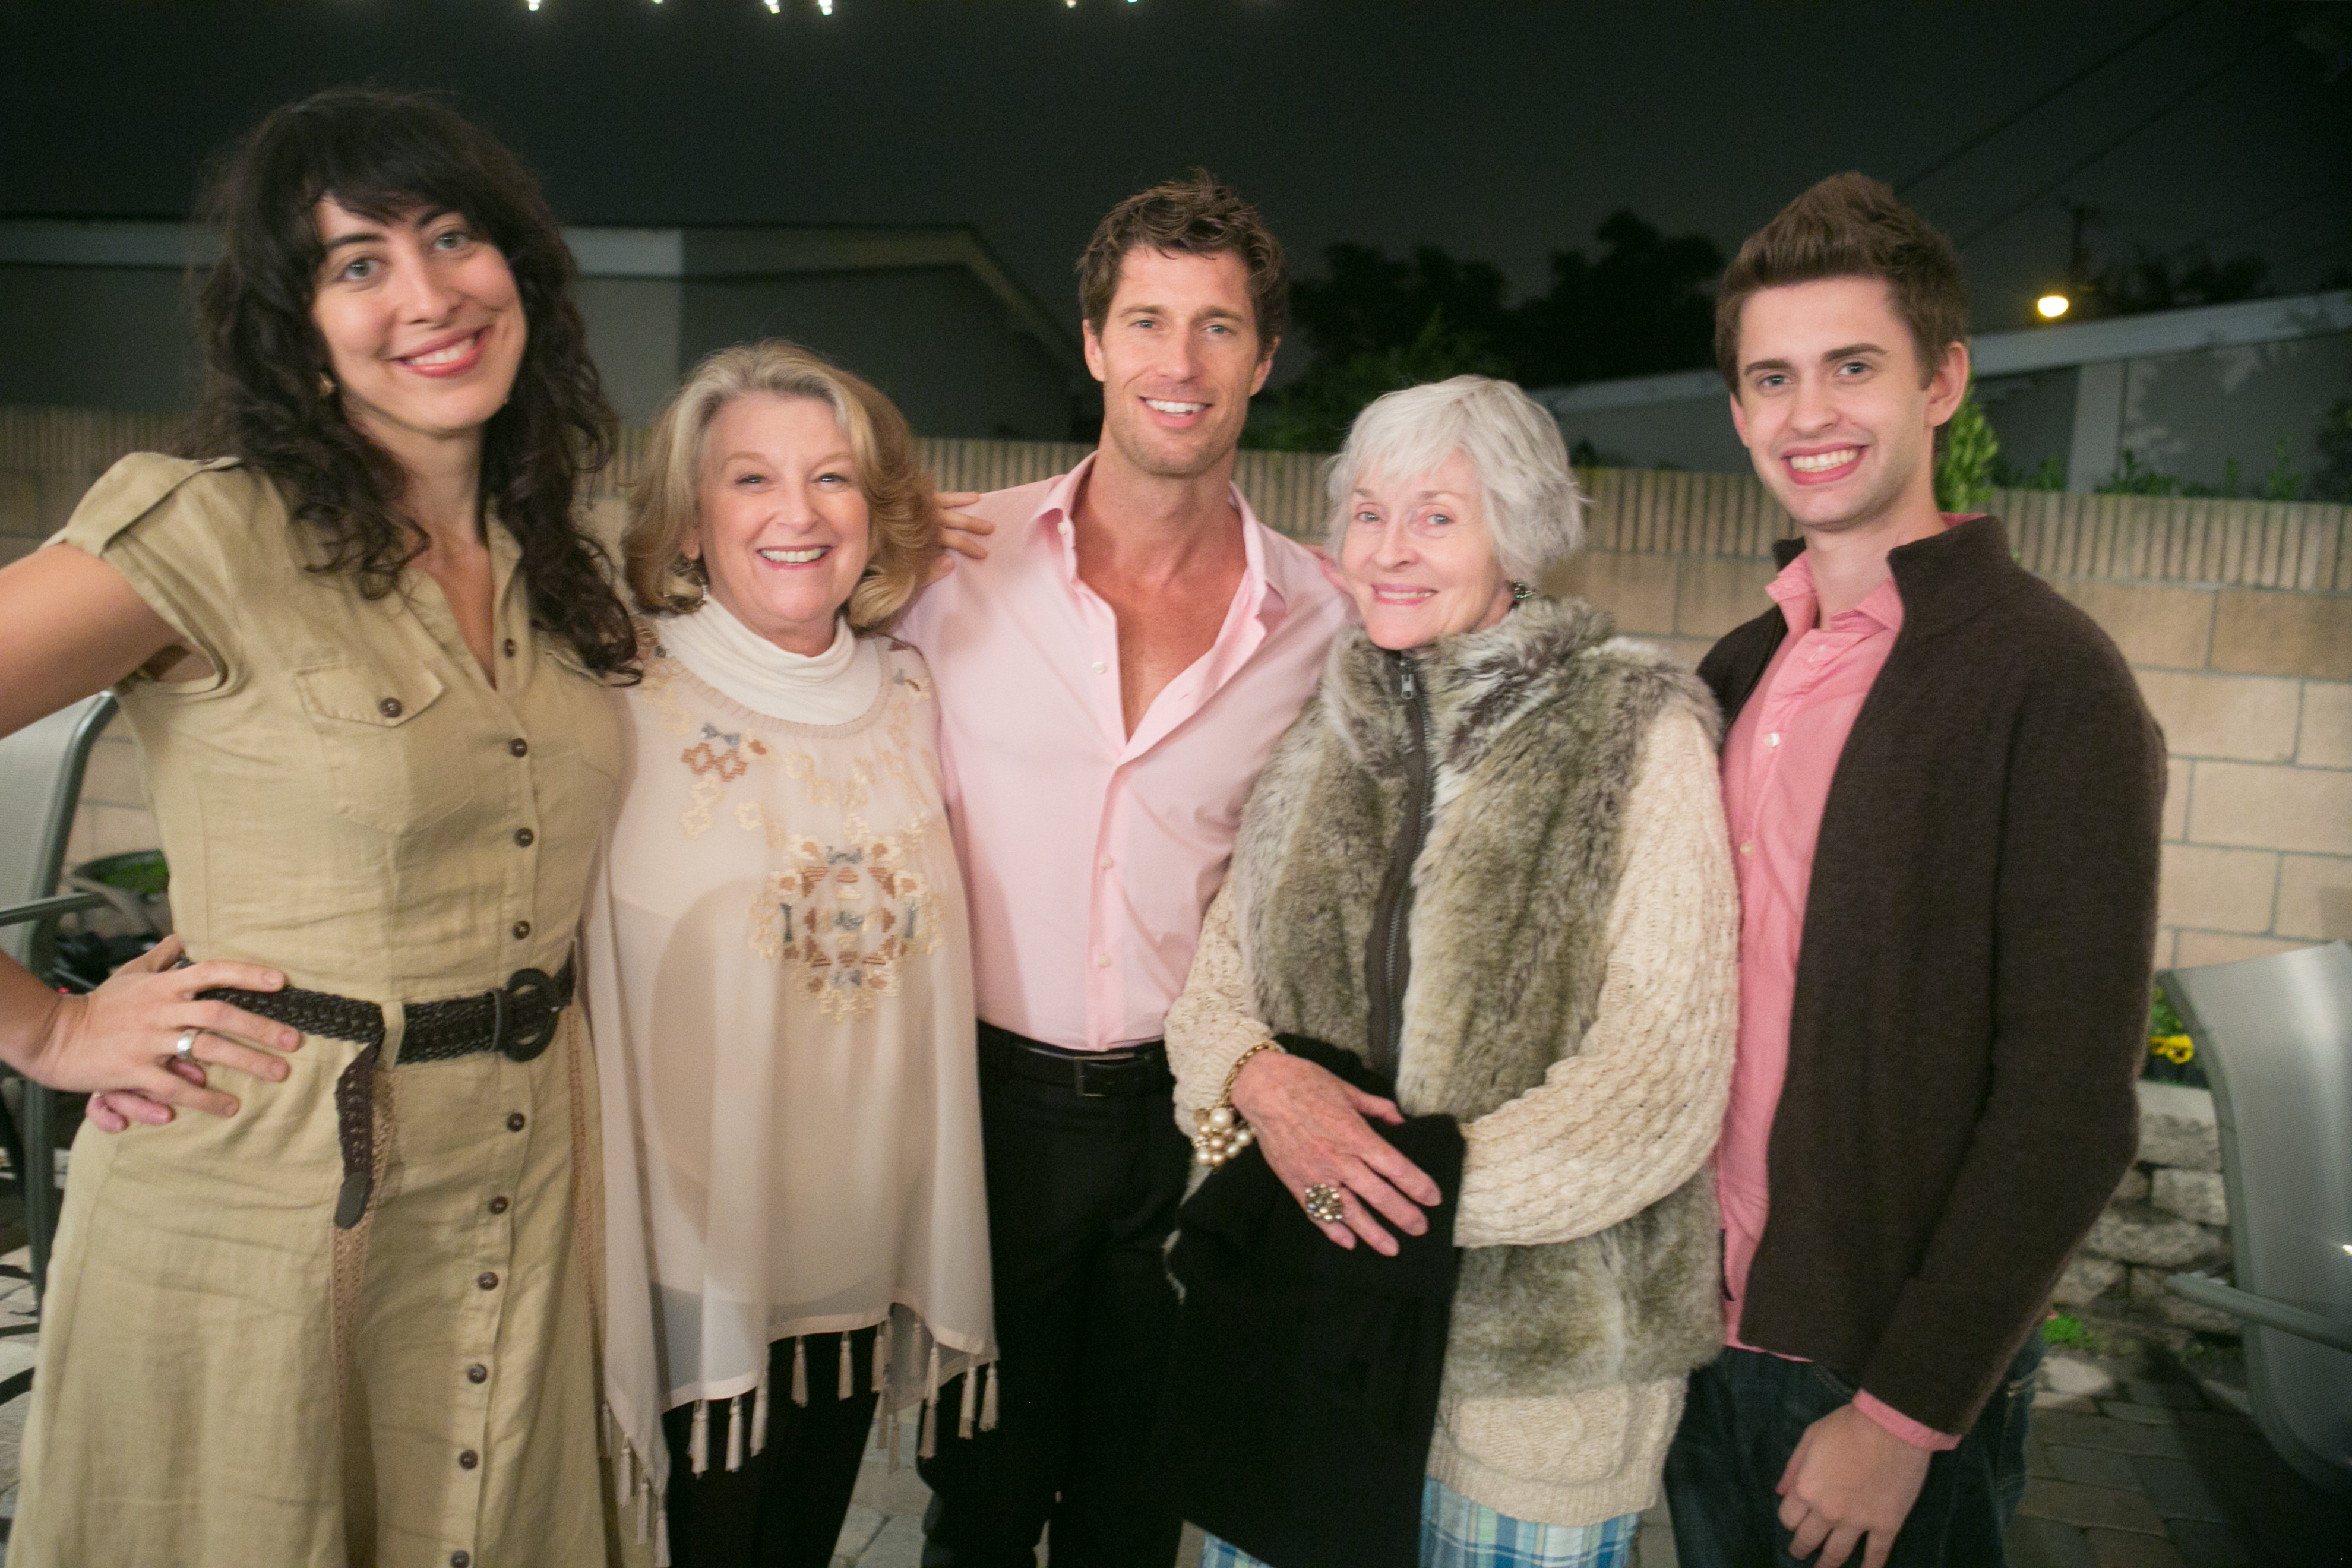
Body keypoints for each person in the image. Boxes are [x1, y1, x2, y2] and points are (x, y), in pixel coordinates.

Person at [0, 89, 636, 1567]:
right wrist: (42, 1032)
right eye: (358, 264)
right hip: (257, 1221)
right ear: (296, 319)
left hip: (522, 1202)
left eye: (454, 238)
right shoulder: (204, 531)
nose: (426, 295)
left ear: (519, 271)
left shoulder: (559, 560)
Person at [1661, 174, 2165, 1568]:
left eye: (1852, 367)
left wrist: (1905, 1410)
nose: (1808, 413)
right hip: (1699, 1341)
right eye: (1772, 377)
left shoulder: (2046, 677)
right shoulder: (1736, 670)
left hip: (1876, 1377)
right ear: (1738, 410)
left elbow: (2069, 1101)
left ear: (1942, 381)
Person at [1162, 375, 1740, 1568]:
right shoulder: (1320, 735)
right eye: (1366, 514)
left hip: (1533, 1375)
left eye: (1436, 516)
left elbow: (1661, 1079)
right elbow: (1216, 999)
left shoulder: (1637, 730)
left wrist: (1369, 1200)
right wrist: (1267, 1096)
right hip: (1307, 1342)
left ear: (1518, 531)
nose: (1388, 551)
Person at [896, 173, 1352, 1567]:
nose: (1180, 362)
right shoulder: (945, 562)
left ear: (1262, 362)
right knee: (975, 1506)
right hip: (984, 1113)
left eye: (1218, 328)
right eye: (1147, 321)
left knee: (1136, 1513)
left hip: (1190, 1121)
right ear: (1092, 342)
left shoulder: (1323, 615)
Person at [585, 341, 995, 1567]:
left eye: (834, 480)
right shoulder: (613, 690)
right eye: (751, 480)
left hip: (852, 1246)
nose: (799, 514)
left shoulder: (919, 694)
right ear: (691, 522)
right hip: (682, 1252)